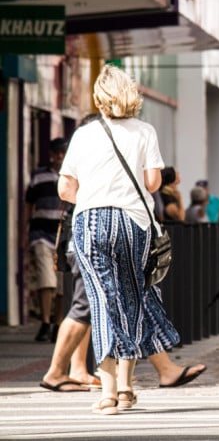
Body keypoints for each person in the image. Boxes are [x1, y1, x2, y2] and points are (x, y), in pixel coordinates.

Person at [57, 64, 182, 414]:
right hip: (133, 222)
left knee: (101, 301)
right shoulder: (144, 131)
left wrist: (92, 192)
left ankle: (108, 393)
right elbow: (154, 183)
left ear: (99, 97)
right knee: (130, 298)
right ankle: (126, 388)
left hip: (92, 221)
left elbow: (66, 188)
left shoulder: (83, 134)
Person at [40, 238, 206, 392]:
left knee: (108, 305)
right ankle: (58, 373)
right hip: (90, 245)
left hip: (93, 243)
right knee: (86, 308)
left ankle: (76, 370)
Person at [24, 137, 68, 342]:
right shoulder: (39, 176)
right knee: (46, 279)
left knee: (60, 283)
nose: (58, 157)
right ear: (50, 154)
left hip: (63, 236)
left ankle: (58, 324)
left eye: (62, 153)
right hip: (41, 233)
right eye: (56, 153)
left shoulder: (71, 175)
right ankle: (45, 321)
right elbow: (28, 204)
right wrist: (23, 232)